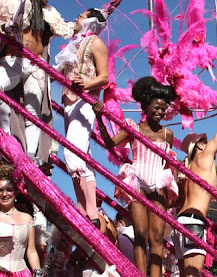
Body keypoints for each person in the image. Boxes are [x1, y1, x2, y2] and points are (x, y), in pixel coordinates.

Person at [94, 76, 178, 277]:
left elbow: (167, 163)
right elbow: (110, 144)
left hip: (158, 182)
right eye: (156, 107)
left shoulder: (168, 135)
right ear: (146, 107)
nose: (160, 112)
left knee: (157, 237)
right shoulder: (133, 127)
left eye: (163, 109)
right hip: (136, 180)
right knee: (140, 233)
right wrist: (99, 118)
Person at [0, 0, 73, 165]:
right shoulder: (10, 3)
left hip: (36, 65)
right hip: (13, 60)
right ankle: (5, 136)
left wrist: (104, 14)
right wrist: (5, 28)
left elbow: (70, 29)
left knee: (34, 112)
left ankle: (30, 155)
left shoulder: (50, 13)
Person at [55, 8, 109, 228]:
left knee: (73, 152)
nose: (76, 18)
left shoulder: (95, 43)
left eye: (81, 16)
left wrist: (86, 85)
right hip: (69, 103)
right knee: (81, 154)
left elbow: (104, 77)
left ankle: (90, 211)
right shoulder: (75, 44)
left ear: (91, 21)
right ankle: (84, 207)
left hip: (84, 101)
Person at [172, 97, 217, 277]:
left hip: (180, 222)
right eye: (205, 141)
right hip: (193, 222)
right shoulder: (205, 156)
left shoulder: (186, 170)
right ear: (200, 145)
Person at [0, 161, 42, 276]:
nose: (4, 194)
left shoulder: (27, 219)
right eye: (0, 190)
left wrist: (37, 271)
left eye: (9, 189)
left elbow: (31, 251)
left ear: (16, 191)